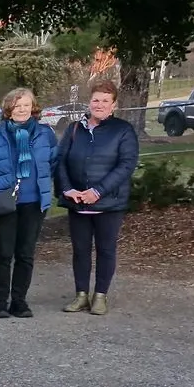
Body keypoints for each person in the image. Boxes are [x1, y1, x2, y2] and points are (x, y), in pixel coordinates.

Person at [55, 79, 139, 316]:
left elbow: (126, 165)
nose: (99, 104)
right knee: (80, 250)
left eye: (105, 101)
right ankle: (81, 294)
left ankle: (100, 295)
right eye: (95, 100)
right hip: (77, 202)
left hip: (109, 203)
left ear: (113, 105)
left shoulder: (123, 130)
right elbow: (60, 161)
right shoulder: (74, 129)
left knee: (106, 250)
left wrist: (98, 191)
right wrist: (67, 189)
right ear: (89, 102)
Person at [0, 87, 57, 319]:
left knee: (25, 254)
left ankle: (19, 301)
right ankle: (0, 301)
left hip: (33, 202)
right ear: (8, 109)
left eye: (25, 105)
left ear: (33, 108)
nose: (21, 110)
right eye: (16, 105)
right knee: (3, 253)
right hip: (5, 202)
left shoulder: (45, 134)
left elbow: (53, 162)